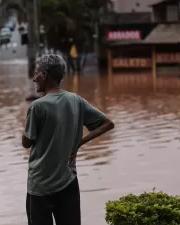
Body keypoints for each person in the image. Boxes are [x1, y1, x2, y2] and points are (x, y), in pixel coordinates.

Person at [22, 54, 114, 225]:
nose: (34, 79)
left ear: (45, 75)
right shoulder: (75, 100)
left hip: (40, 185)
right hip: (68, 181)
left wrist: (27, 122)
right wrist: (79, 143)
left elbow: (26, 142)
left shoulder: (37, 107)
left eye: (36, 74)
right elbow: (107, 124)